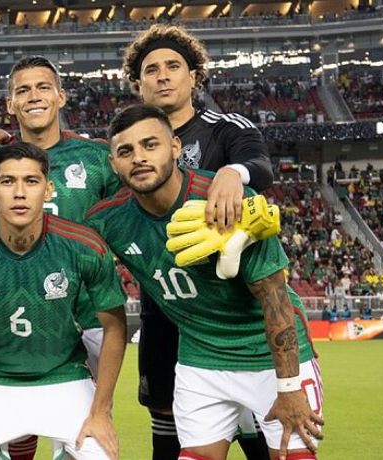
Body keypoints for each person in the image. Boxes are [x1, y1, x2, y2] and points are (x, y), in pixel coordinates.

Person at [86, 105, 323, 460]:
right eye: (126, 151)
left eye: (150, 145)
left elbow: (275, 296)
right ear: (114, 164)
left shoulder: (227, 199)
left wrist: (288, 387)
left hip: (268, 356)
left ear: (175, 148)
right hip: (200, 359)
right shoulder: (108, 220)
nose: (139, 158)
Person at [118, 24, 278, 460]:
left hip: (234, 314)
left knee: (259, 431)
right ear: (138, 84)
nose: (162, 76)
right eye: (151, 70)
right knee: (166, 427)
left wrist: (232, 172)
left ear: (194, 76)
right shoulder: (129, 146)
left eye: (173, 66)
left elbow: (260, 164)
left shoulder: (224, 129)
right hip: (164, 310)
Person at [0, 143, 127, 460]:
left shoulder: (84, 245)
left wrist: (100, 412)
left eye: (31, 181)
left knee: (101, 455)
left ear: (48, 189)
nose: (20, 193)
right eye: (7, 181)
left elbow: (115, 326)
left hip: (64, 377)